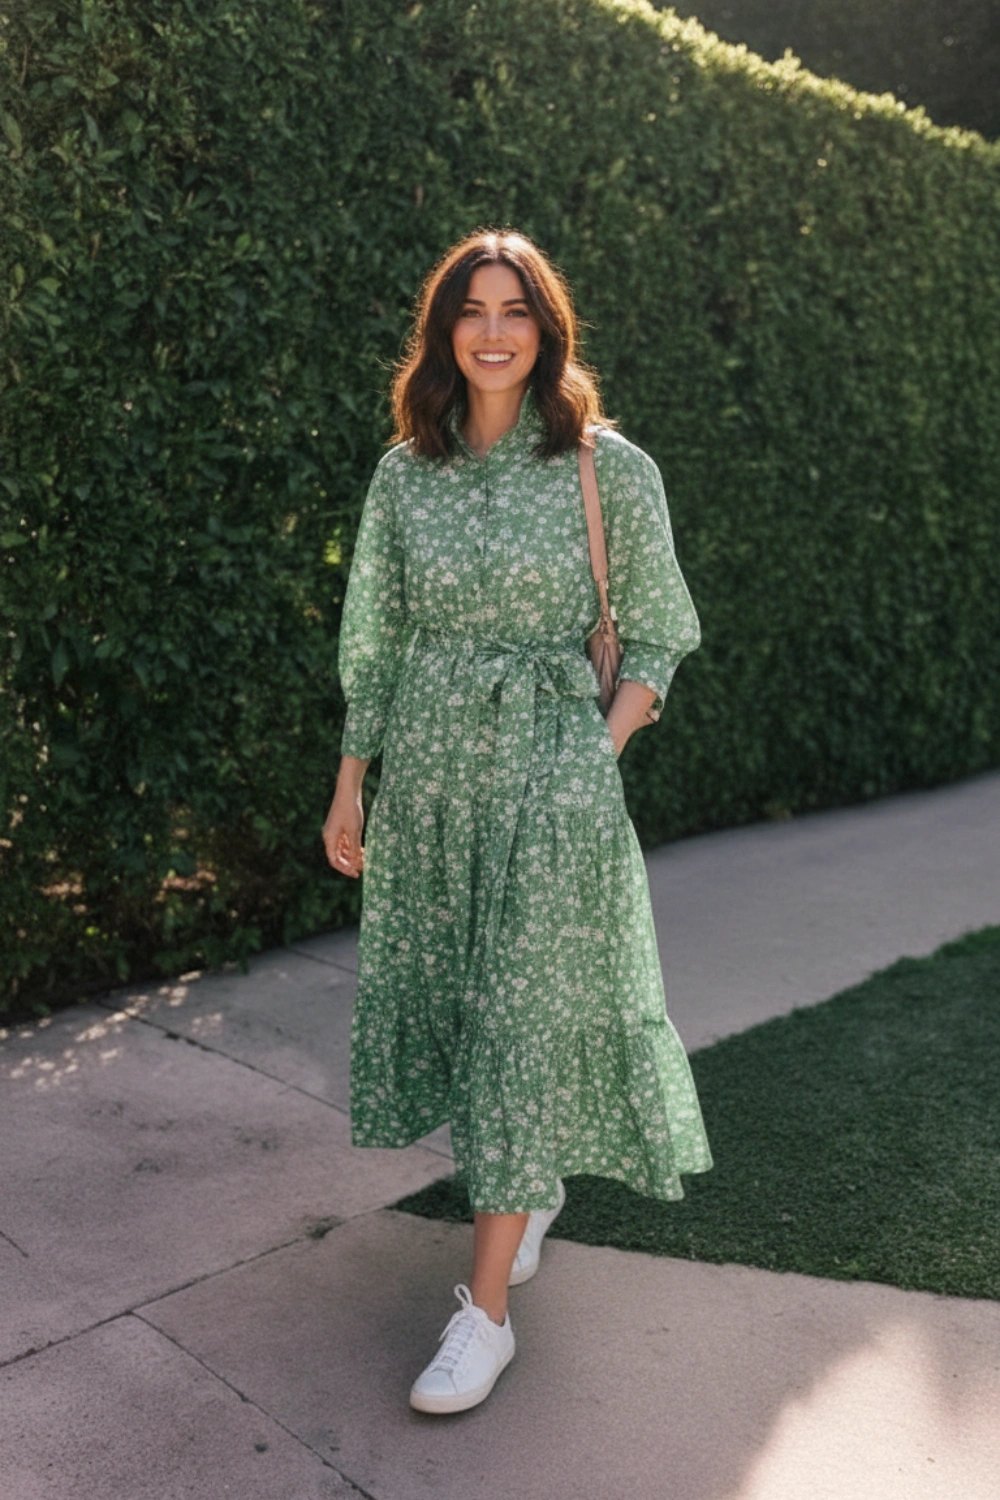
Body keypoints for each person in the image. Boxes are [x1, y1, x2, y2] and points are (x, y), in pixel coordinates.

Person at [322, 228, 712, 1415]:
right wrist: (351, 777)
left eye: (515, 311)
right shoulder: (406, 475)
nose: (493, 332)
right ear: (444, 332)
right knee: (466, 1006)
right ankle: (527, 1182)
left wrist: (595, 751)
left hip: (553, 782)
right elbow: (375, 637)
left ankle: (484, 1317)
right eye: (472, 311)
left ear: (547, 330)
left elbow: (660, 632)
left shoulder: (606, 468)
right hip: (432, 783)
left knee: (510, 1023)